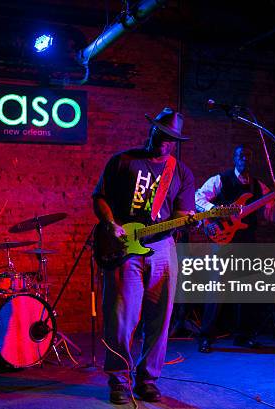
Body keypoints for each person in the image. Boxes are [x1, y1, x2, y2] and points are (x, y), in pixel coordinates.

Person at [92, 107, 195, 404]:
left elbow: (181, 213)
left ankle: (148, 379)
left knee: (160, 320)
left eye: (171, 139)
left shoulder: (181, 172)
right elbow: (99, 197)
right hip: (125, 248)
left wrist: (188, 220)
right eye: (160, 134)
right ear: (151, 130)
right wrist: (110, 225)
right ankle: (119, 380)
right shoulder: (123, 161)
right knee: (121, 319)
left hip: (163, 249)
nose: (164, 142)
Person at [194, 144, 275, 352]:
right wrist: (215, 211)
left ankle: (243, 336)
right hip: (223, 241)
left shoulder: (259, 187)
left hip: (247, 242)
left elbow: (273, 214)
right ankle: (205, 336)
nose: (245, 159)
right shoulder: (220, 180)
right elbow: (198, 198)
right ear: (234, 158)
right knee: (216, 290)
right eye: (241, 155)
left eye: (249, 155)